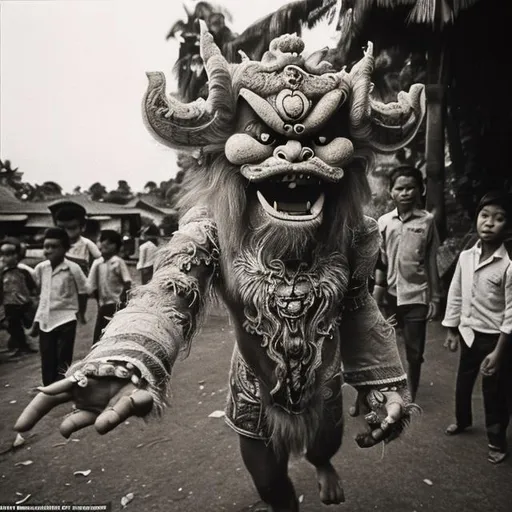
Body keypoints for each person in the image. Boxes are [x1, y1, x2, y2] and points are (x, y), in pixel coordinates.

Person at [15, 32, 426, 510]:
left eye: (317, 138)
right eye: (266, 138)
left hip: (324, 380)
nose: (293, 156)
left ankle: (320, 462)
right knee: (272, 489)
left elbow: (357, 307)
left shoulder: (353, 232)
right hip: (253, 386)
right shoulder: (212, 228)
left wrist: (385, 385)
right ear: (223, 158)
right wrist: (128, 356)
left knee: (324, 445)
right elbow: (169, 291)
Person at [442, 191, 512, 464]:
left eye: (499, 218)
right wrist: (451, 329)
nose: (489, 223)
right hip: (469, 333)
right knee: (463, 382)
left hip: (496, 339)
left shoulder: (508, 265)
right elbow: (456, 292)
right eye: (485, 216)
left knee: (494, 392)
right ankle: (462, 420)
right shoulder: (466, 256)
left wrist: (498, 352)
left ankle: (496, 439)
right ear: (476, 219)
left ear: (508, 226)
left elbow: (510, 314)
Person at [373, 165, 441, 401]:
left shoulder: (427, 221)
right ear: (391, 192)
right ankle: (389, 390)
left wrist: (435, 297)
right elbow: (379, 262)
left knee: (415, 351)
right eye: (400, 188)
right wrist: (376, 299)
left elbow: (431, 260)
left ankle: (411, 393)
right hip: (391, 295)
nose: (406, 193)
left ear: (420, 190)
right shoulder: (383, 222)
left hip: (416, 295)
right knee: (387, 347)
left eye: (411, 188)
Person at [31, 228, 89, 386]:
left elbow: (84, 290)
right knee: (47, 354)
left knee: (63, 355)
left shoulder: (72, 268)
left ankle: (62, 386)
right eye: (46, 246)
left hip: (66, 317)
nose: (48, 251)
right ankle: (48, 387)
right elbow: (41, 296)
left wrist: (81, 312)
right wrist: (36, 321)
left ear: (65, 249)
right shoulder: (41, 268)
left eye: (54, 247)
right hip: (46, 320)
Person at [89, 230, 132, 343]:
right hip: (103, 304)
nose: (105, 244)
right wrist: (99, 301)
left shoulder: (118, 262)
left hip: (116, 303)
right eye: (103, 241)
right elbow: (93, 286)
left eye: (110, 243)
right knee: (99, 336)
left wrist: (122, 301)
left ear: (116, 246)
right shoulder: (98, 263)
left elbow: (127, 282)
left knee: (114, 334)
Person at [0, 237, 38, 356]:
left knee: (27, 324)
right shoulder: (3, 273)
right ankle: (20, 345)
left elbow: (32, 286)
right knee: (13, 325)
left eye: (11, 254)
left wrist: (34, 297)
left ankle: (24, 344)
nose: (7, 258)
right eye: (4, 254)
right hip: (9, 304)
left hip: (24, 303)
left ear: (18, 255)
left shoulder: (23, 271)